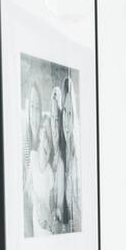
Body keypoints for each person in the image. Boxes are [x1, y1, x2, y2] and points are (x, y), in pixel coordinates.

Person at [28, 117, 56, 236]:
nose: (44, 133)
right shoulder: (33, 156)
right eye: (43, 128)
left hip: (47, 221)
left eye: (47, 130)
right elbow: (28, 186)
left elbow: (53, 201)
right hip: (37, 215)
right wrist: (36, 200)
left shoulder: (51, 168)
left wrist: (50, 219)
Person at [22, 79, 42, 236]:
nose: (35, 112)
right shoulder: (24, 140)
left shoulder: (45, 137)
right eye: (32, 107)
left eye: (38, 107)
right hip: (29, 205)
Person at [62, 76, 81, 231]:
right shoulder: (62, 152)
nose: (66, 121)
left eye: (70, 114)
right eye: (65, 112)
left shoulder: (77, 158)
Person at [49, 85, 68, 231]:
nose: (54, 125)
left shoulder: (62, 159)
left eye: (57, 120)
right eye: (52, 118)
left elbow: (60, 206)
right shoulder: (46, 149)